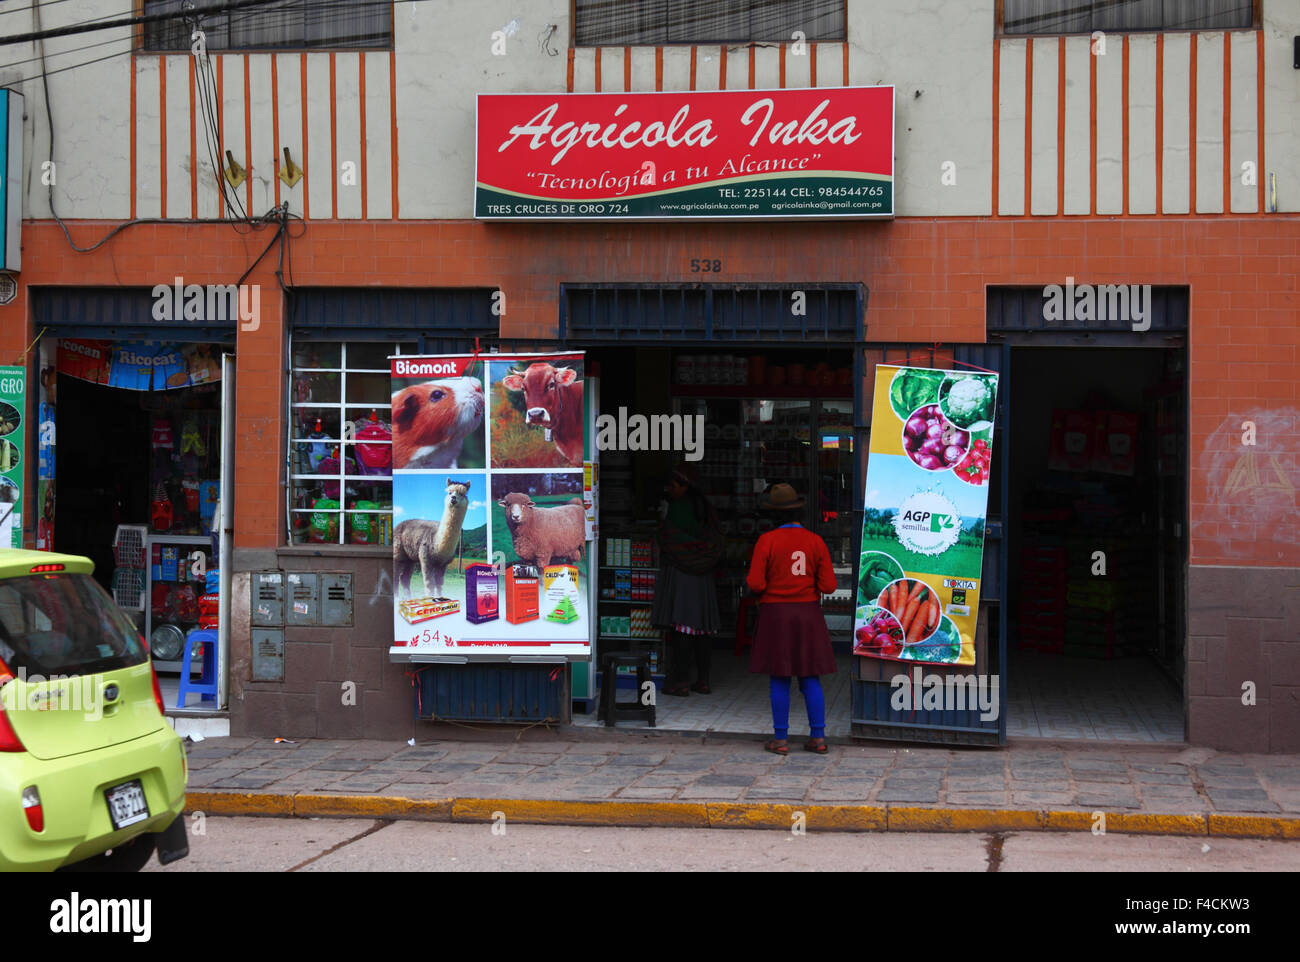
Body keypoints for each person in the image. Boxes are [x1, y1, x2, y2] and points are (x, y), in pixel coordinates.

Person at [746, 482, 838, 754]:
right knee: (810, 677)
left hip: (776, 615)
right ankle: (818, 738)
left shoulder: (766, 541)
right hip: (808, 614)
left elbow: (755, 583)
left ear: (773, 515)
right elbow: (830, 586)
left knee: (779, 677)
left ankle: (781, 740)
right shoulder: (815, 541)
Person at [651, 463, 722, 696]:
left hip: (683, 575)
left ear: (684, 485)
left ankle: (680, 682)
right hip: (704, 577)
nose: (669, 489)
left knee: (682, 628)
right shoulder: (706, 508)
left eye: (673, 485)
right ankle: (703, 680)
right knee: (702, 629)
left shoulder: (678, 509)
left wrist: (662, 522)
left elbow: (668, 538)